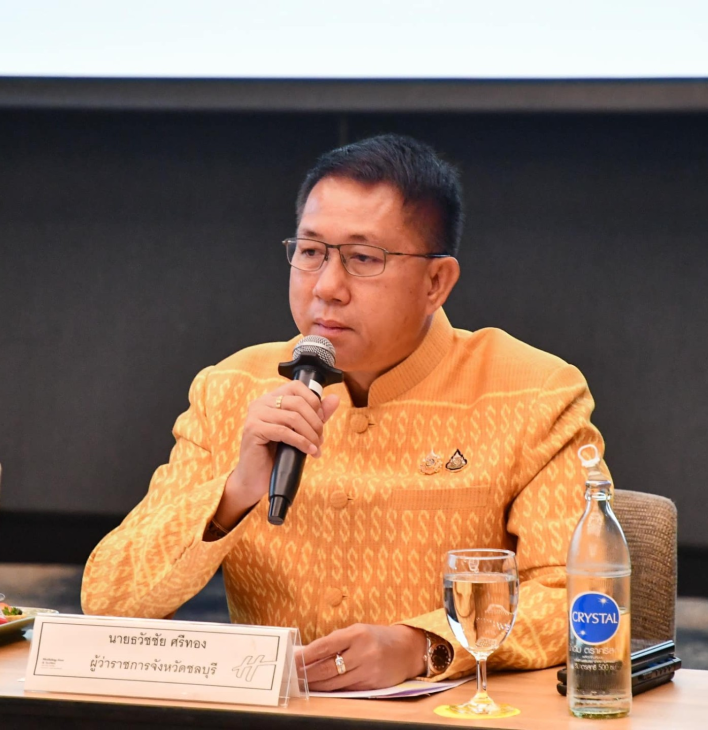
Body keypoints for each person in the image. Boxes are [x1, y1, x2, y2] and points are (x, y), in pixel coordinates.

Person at [81, 133, 612, 691]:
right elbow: (108, 599)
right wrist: (234, 492)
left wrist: (423, 645)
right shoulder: (230, 389)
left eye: (363, 259)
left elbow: (585, 601)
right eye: (311, 253)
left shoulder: (532, 393)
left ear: (436, 282)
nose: (327, 287)